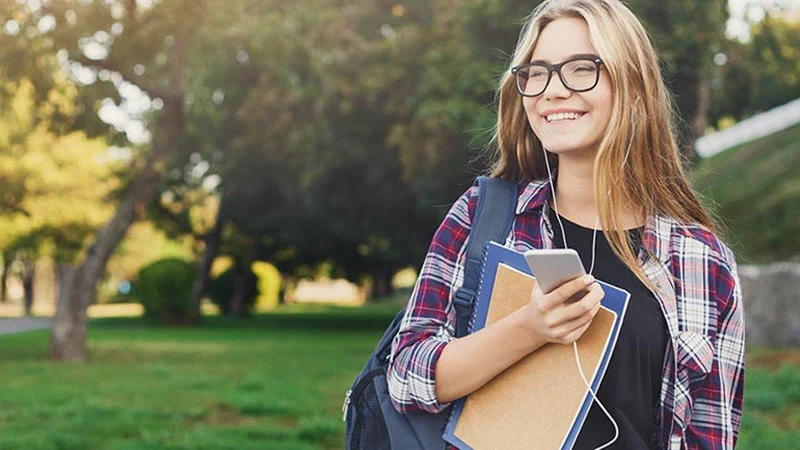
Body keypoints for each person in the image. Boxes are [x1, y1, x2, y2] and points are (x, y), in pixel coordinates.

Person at [386, 1, 746, 449]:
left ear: (633, 84)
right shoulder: (484, 215)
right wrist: (528, 328)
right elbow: (404, 379)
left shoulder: (704, 263)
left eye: (580, 68)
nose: (552, 90)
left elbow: (712, 436)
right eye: (536, 73)